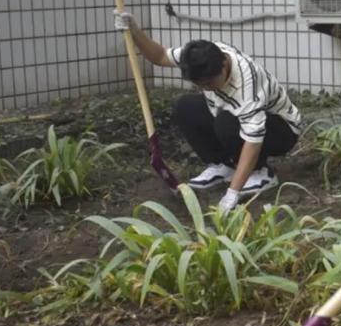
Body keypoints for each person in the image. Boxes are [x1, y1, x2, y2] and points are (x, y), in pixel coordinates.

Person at [113, 11, 302, 212]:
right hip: (232, 116)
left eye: (210, 83)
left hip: (282, 130)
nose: (206, 88)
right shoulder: (198, 57)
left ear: (224, 65)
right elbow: (159, 56)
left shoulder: (247, 84)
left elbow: (253, 141)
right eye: (200, 84)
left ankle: (261, 173)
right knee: (186, 107)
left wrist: (232, 193)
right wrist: (133, 29)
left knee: (226, 122)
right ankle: (223, 165)